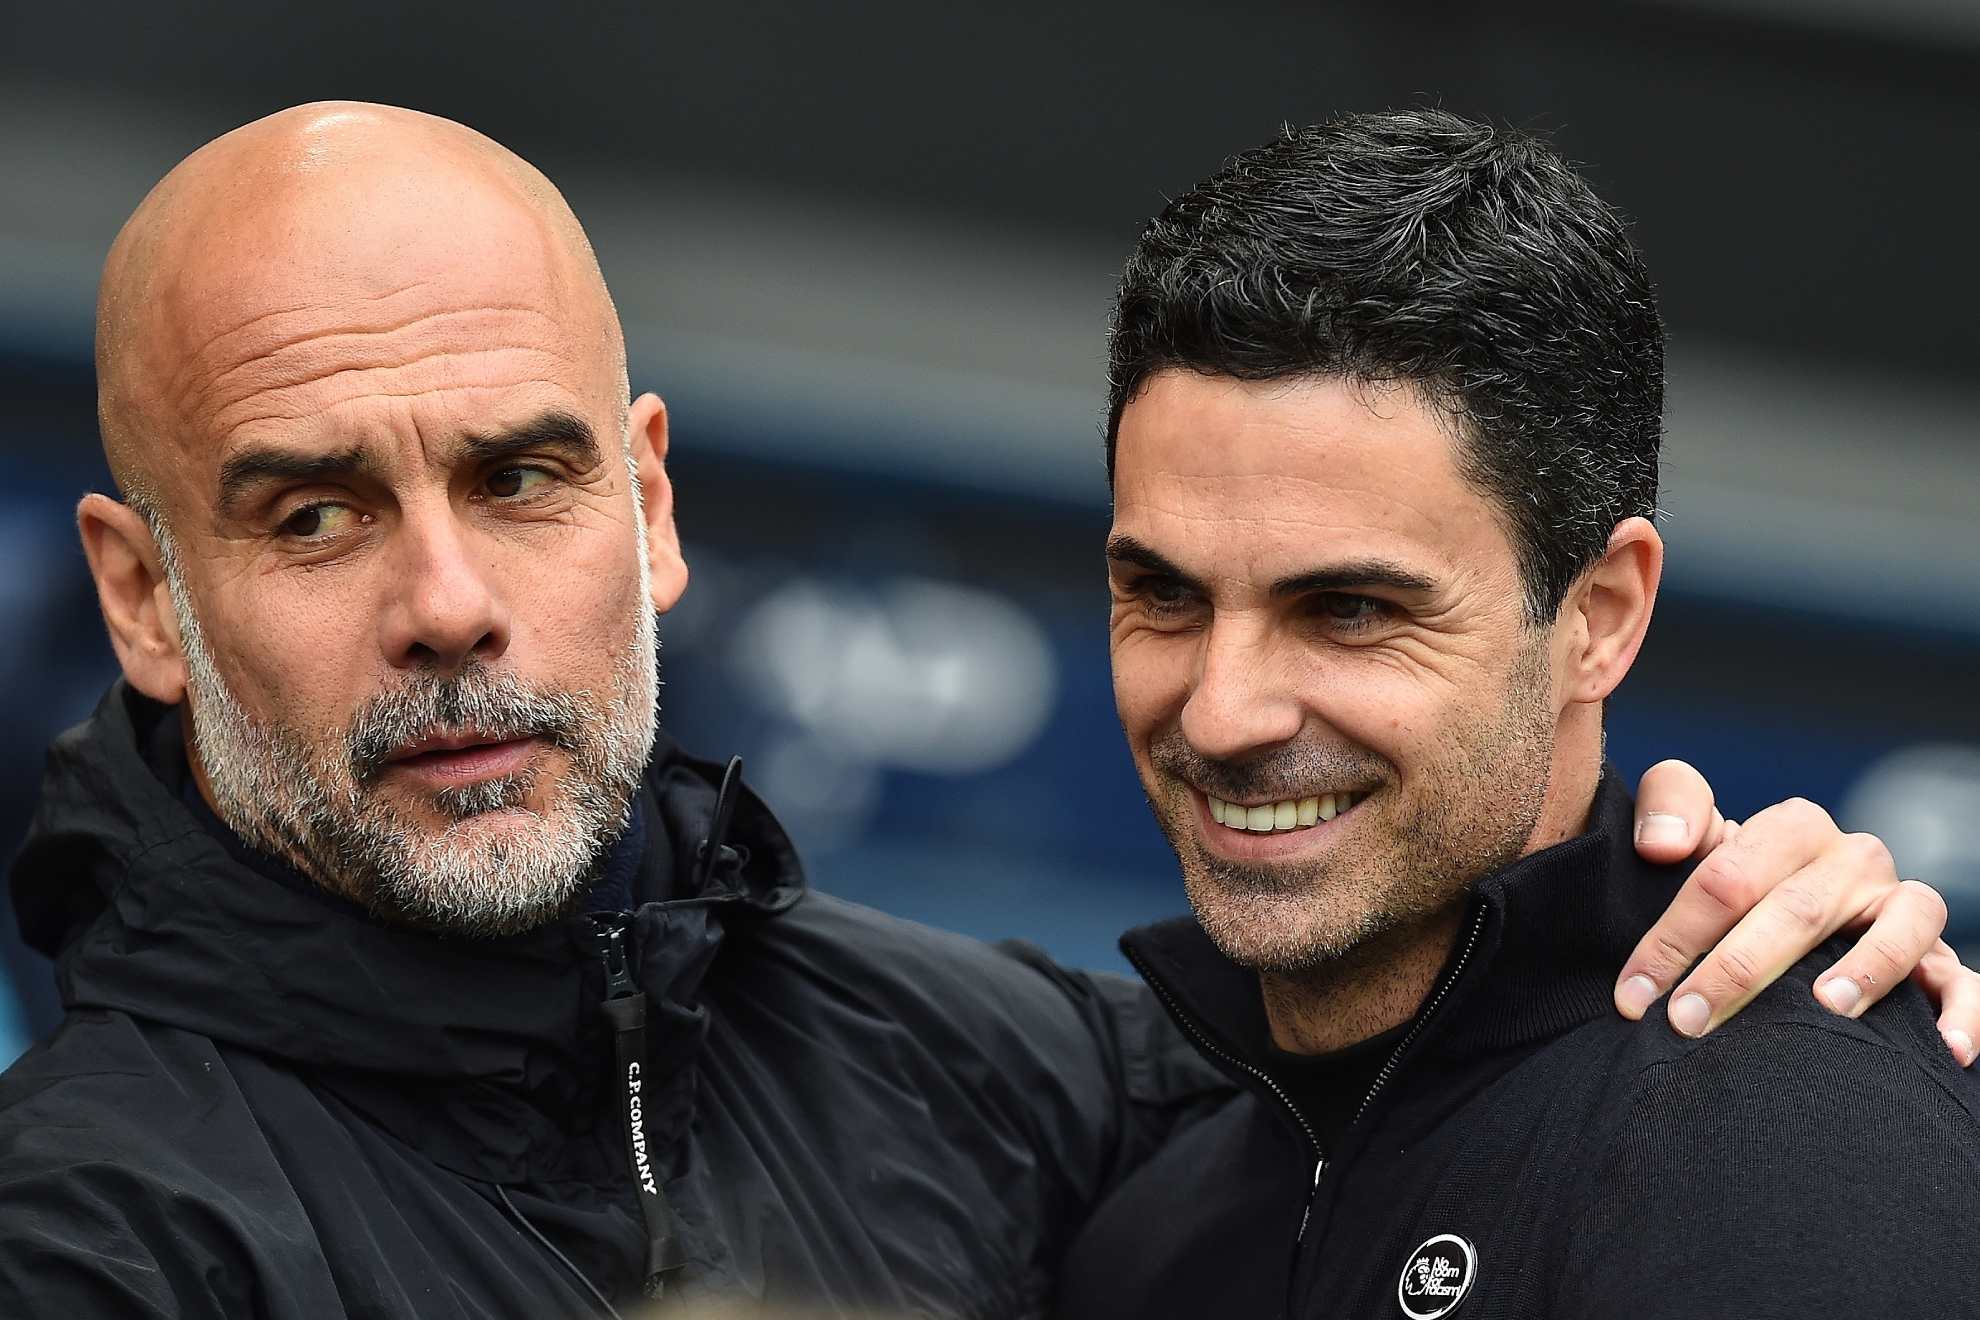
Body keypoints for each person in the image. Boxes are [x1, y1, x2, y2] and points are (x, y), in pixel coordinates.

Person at [0, 103, 1963, 1319]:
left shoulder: (1003, 1072)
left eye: (520, 478)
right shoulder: (87, 1244)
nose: (447, 604)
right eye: (315, 513)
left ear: (652, 503)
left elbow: (1430, 1063)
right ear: (137, 598)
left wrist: (1749, 931)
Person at [1054, 109, 1980, 1319]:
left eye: (1346, 609)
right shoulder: (1140, 1205)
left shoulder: (1790, 1146)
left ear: (1598, 615)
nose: (1224, 713)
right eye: (1162, 593)